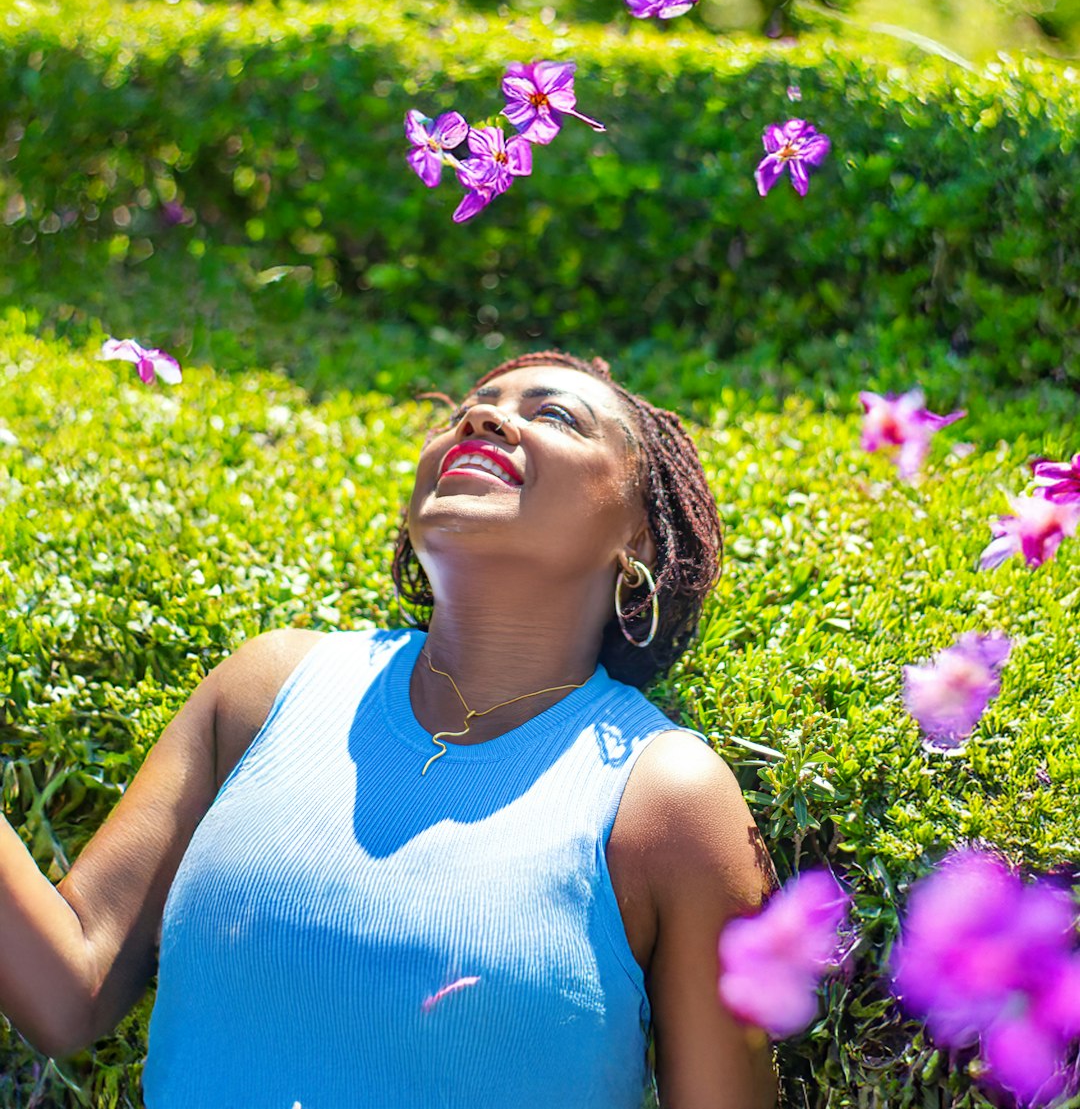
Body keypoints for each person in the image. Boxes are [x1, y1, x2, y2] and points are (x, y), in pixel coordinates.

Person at [0, 350, 780, 1108]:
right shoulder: (268, 688)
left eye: (554, 416)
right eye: (470, 408)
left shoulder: (666, 797)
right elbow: (68, 988)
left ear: (638, 540)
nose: (482, 416)